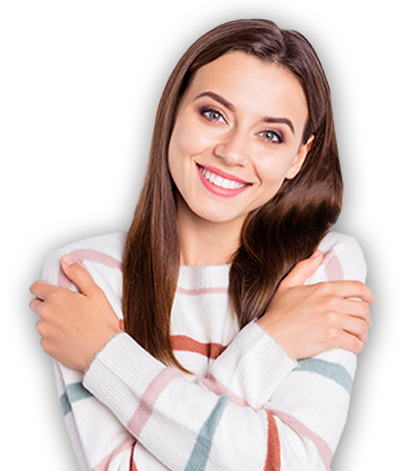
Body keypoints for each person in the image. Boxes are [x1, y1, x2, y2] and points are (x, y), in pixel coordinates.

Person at [29, 18, 375, 470]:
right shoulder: (84, 272)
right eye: (214, 114)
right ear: (172, 111)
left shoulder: (323, 266)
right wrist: (273, 341)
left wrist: (104, 355)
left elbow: (294, 465)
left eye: (270, 135)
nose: (232, 152)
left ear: (298, 158)